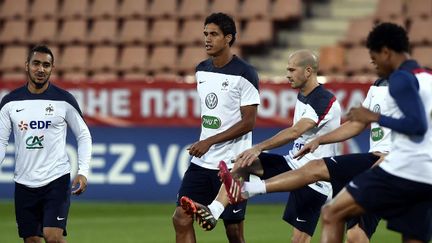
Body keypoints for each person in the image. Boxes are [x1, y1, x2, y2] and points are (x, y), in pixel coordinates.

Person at [182, 49, 342, 242]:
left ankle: (236, 196)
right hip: (294, 164)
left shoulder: (322, 99)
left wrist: (259, 147)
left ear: (308, 71)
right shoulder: (304, 95)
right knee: (243, 161)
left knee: (298, 240)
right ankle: (214, 212)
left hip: (315, 177)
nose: (287, 75)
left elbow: (294, 132)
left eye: (292, 70)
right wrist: (251, 152)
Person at [219, 77, 391, 243]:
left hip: (396, 162)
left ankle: (246, 190)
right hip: (373, 158)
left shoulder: (414, 85)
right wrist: (320, 140)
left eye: (292, 70)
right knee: (354, 235)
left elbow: (416, 127)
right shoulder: (378, 86)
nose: (288, 74)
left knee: (411, 228)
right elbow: (357, 124)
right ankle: (225, 202)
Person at [320, 23, 432, 243]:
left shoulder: (399, 79)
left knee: (332, 213)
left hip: (401, 169)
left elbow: (417, 125)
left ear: (386, 52)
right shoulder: (428, 78)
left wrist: (375, 117)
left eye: (374, 58)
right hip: (426, 175)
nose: (374, 65)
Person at [172, 12, 260, 243]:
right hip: (202, 163)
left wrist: (209, 141)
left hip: (233, 164)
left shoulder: (245, 73)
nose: (207, 39)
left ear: (228, 38)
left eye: (214, 34)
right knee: (180, 217)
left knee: (233, 232)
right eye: (205, 34)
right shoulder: (201, 69)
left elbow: (248, 122)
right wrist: (206, 141)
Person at [0, 45, 92, 243]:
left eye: (46, 65)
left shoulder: (64, 100)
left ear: (52, 68)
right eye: (36, 63)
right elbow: (0, 140)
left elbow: (83, 134)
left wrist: (83, 171)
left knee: (53, 238)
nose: (41, 69)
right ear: (27, 66)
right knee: (31, 240)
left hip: (56, 179)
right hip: (24, 182)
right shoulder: (10, 103)